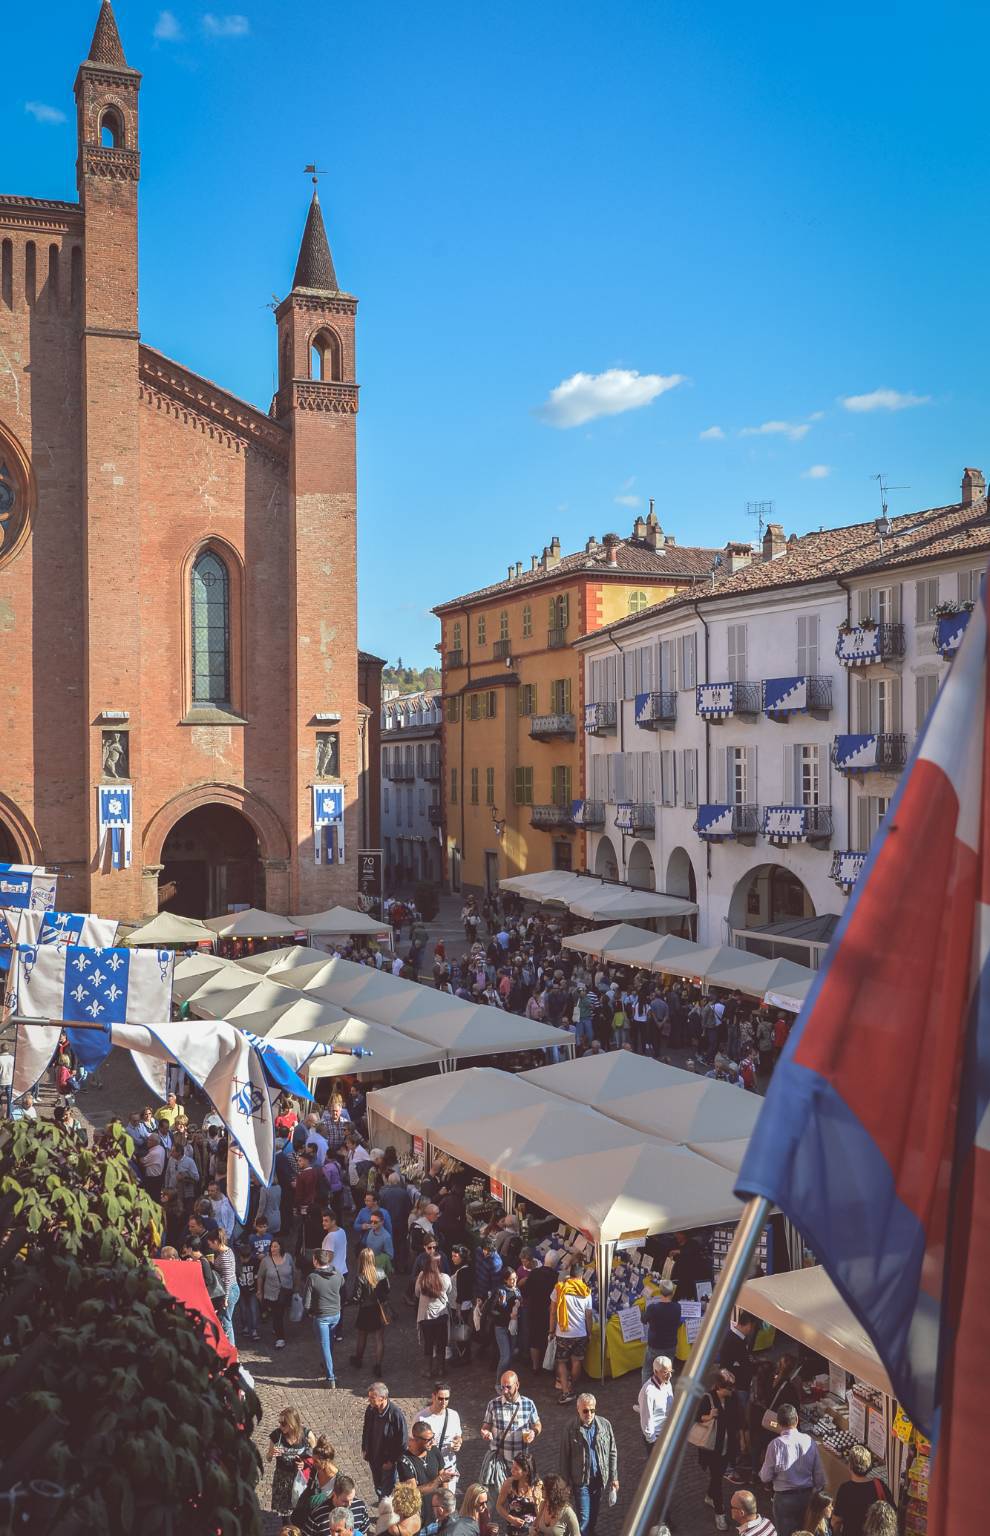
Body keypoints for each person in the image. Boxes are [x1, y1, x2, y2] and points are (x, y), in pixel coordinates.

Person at [759, 1404, 825, 1536]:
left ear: (779, 1422)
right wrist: (817, 1492)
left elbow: (765, 1476)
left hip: (784, 1499)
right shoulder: (808, 1441)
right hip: (807, 1496)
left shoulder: (775, 1445)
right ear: (797, 1419)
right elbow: (819, 1475)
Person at [559, 1393, 618, 1536]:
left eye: (592, 1410)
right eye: (585, 1410)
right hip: (581, 1482)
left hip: (598, 1479)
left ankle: (591, 1532)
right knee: (584, 1518)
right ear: (578, 1409)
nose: (589, 1414)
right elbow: (564, 1457)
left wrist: (614, 1477)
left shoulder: (604, 1425)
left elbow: (612, 1451)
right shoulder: (570, 1428)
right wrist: (564, 1483)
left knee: (594, 1514)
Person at [694, 1368, 743, 1531]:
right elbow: (697, 1417)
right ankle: (720, 1513)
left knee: (717, 1476)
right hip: (712, 1448)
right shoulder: (708, 1398)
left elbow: (738, 1418)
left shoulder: (733, 1398)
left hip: (727, 1447)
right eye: (729, 1388)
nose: (732, 1391)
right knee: (717, 1479)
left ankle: (710, 1495)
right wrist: (710, 1416)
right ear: (719, 1387)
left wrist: (741, 1437)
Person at [480, 1372, 541, 1492]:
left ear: (517, 1385)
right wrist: (485, 1432)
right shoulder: (493, 1404)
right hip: (499, 1460)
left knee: (519, 1496)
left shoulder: (528, 1404)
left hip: (520, 1462)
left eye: (508, 1387)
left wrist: (534, 1432)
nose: (505, 1391)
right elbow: (485, 1426)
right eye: (502, 1387)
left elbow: (537, 1424)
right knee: (500, 1496)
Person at [549, 1261, 593, 1404]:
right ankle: (573, 1387)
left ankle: (565, 1391)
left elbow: (553, 1312)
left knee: (561, 1362)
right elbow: (588, 1316)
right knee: (576, 1361)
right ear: (581, 1276)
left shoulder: (559, 1289)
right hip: (580, 1333)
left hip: (563, 1333)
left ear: (570, 1274)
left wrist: (551, 1330)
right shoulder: (586, 1292)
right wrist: (589, 1332)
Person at [303, 1248, 344, 1388]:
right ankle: (326, 1365)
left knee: (325, 1346)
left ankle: (330, 1376)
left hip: (321, 1316)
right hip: (336, 1313)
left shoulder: (313, 1278)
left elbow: (306, 1302)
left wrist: (309, 1312)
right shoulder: (337, 1274)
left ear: (315, 1261)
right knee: (330, 1342)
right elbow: (342, 1286)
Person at [830, 1446, 892, 1536]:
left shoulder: (845, 1489)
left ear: (850, 1466)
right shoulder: (879, 1485)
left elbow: (837, 1520)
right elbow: (891, 1512)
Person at [363, 1380, 408, 1498]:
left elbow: (403, 1442)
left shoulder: (395, 1414)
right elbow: (366, 1429)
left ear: (382, 1398)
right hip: (373, 1457)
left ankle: (386, 1511)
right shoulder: (371, 1410)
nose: (369, 1401)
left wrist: (392, 1461)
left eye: (372, 1398)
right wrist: (365, 1448)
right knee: (378, 1485)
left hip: (387, 1460)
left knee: (387, 1492)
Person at [267, 1408, 317, 1517]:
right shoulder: (276, 1435)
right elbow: (268, 1458)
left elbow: (317, 1458)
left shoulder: (307, 1435)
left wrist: (305, 1464)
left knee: (300, 1509)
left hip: (300, 1478)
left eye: (283, 1423)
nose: (280, 1426)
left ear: (292, 1423)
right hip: (282, 1478)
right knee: (285, 1514)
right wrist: (271, 1452)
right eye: (279, 1422)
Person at [351, 1245, 391, 1372]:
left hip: (365, 1309)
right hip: (378, 1308)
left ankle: (358, 1359)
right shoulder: (381, 1273)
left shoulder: (360, 1277)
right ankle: (378, 1365)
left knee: (362, 1336)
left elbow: (356, 1297)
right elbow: (387, 1289)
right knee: (379, 1338)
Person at [418, 1383, 463, 1496]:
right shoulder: (422, 1417)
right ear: (433, 1396)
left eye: (446, 1399)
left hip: (448, 1468)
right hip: (430, 1469)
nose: (444, 1402)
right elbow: (413, 1443)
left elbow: (458, 1436)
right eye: (440, 1398)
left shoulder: (454, 1415)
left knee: (447, 1503)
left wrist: (458, 1442)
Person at [290, 1435, 338, 1532]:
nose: (313, 1463)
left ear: (327, 1461)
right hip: (306, 1515)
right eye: (313, 1460)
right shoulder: (315, 1469)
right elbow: (310, 1489)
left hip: (322, 1520)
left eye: (316, 1461)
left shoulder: (338, 1480)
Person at [522, 1252, 559, 1372]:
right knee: (549, 1337)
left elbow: (526, 1292)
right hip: (548, 1311)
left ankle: (535, 1367)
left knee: (534, 1338)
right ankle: (548, 1365)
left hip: (534, 1310)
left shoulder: (534, 1273)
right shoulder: (556, 1276)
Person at [416, 1255, 452, 1377]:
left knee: (428, 1343)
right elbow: (449, 1290)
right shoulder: (445, 1278)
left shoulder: (422, 1277)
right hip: (441, 1316)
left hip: (426, 1317)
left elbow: (416, 1292)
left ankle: (428, 1370)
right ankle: (441, 1369)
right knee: (441, 1343)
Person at [258, 1237, 296, 1349]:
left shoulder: (288, 1257)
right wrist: (259, 1291)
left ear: (280, 1247)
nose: (273, 1248)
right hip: (272, 1293)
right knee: (277, 1314)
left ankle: (277, 1328)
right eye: (271, 1246)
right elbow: (260, 1276)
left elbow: (294, 1271)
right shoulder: (266, 1261)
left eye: (275, 1246)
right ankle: (280, 1338)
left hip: (286, 1291)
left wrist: (296, 1287)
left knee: (281, 1312)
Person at [642, 1279, 681, 1383]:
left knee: (647, 1371)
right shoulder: (677, 1307)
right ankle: (665, 1392)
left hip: (655, 1346)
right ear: (672, 1292)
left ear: (660, 1291)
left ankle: (646, 1394)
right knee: (667, 1371)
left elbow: (643, 1320)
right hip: (670, 1345)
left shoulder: (653, 1308)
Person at [396, 1421, 451, 1496]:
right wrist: (438, 1480)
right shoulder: (404, 1461)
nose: (432, 1442)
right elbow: (413, 1492)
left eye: (433, 1437)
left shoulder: (434, 1450)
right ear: (416, 1439)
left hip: (437, 1506)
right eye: (428, 1440)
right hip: (419, 1506)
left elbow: (444, 1479)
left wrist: (447, 1499)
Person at [489, 1268, 522, 1389]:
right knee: (505, 1355)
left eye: (515, 1279)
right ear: (505, 1280)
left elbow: (519, 1305)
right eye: (511, 1279)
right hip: (501, 1327)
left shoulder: (517, 1290)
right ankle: (499, 1383)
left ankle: (507, 1382)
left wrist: (518, 1307)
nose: (514, 1281)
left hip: (513, 1327)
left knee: (511, 1355)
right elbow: (492, 1310)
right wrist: (505, 1310)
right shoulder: (500, 1291)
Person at [494, 1452, 542, 1533]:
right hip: (514, 1529)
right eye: (512, 1466)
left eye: (516, 1468)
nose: (512, 1470)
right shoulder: (509, 1483)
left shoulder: (538, 1485)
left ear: (526, 1472)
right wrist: (511, 1519)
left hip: (533, 1530)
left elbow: (542, 1511)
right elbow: (499, 1505)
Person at [207, 1230, 240, 1345]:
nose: (210, 1246)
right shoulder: (227, 1251)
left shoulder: (224, 1257)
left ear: (216, 1241)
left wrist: (225, 1299)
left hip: (230, 1291)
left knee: (226, 1321)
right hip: (232, 1289)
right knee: (225, 1319)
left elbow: (227, 1279)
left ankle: (232, 1349)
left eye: (210, 1244)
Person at [637, 1356, 674, 1446]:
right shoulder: (648, 1392)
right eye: (665, 1373)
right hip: (657, 1438)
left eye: (671, 1372)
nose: (670, 1376)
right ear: (655, 1372)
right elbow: (646, 1418)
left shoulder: (667, 1383)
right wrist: (652, 1440)